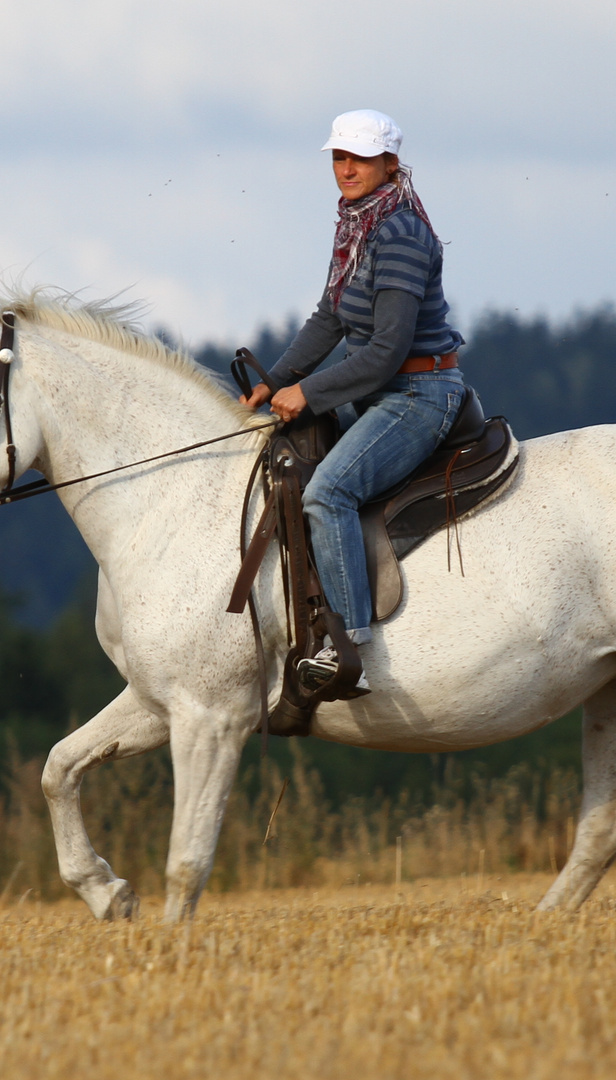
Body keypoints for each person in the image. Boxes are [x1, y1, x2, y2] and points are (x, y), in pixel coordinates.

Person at [241, 109, 467, 692]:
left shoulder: (400, 234)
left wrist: (309, 392)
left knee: (328, 492)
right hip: (379, 393)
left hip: (417, 395)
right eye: (340, 158)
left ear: (391, 164)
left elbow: (388, 350)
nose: (346, 169)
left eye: (360, 159)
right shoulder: (355, 225)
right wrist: (278, 378)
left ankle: (348, 651)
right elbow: (330, 318)